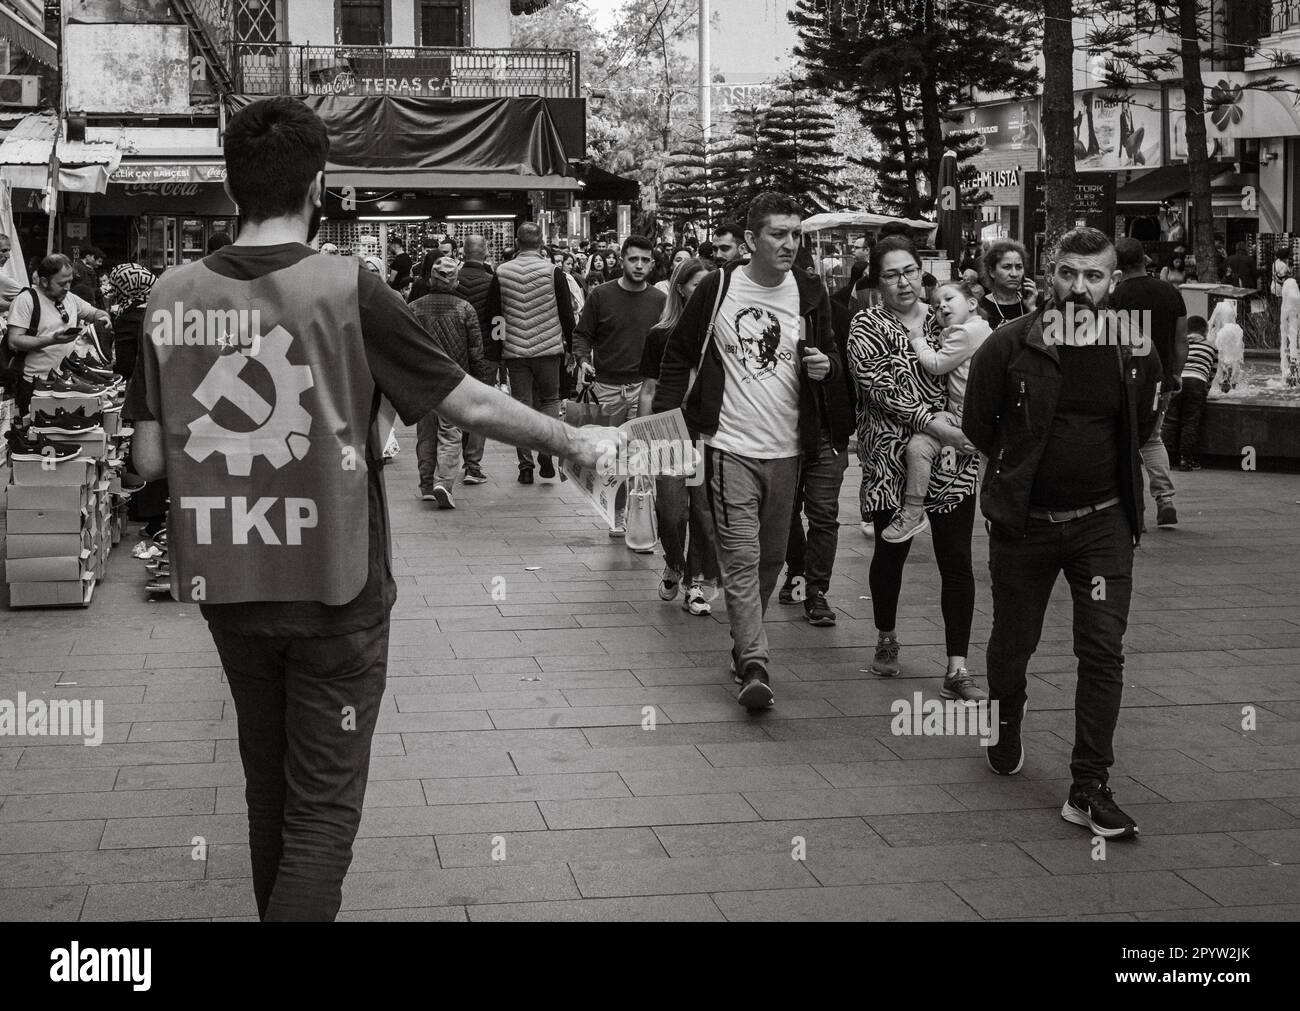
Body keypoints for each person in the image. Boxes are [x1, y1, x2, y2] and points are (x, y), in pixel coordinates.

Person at [128, 96, 618, 922]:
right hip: (336, 587)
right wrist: (573, 442)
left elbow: (147, 458)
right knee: (321, 810)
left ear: (230, 184)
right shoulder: (345, 286)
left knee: (268, 789)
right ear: (319, 184)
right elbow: (466, 402)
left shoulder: (172, 292)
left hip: (229, 581)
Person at [963, 226, 1162, 839]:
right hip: (1025, 526)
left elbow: (1145, 421)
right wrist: (1023, 476)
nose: (1080, 287)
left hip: (1102, 524)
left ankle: (1089, 786)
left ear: (1112, 281)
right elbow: (978, 425)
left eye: (1094, 276)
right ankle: (1008, 720)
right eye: (1069, 274)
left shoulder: (1132, 351)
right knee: (1013, 643)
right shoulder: (1008, 345)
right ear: (1051, 275)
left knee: (1102, 649)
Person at [652, 192, 839, 711]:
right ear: (752, 240)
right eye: (778, 234)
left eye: (796, 234)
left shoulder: (810, 291)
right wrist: (670, 429)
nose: (790, 244)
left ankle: (742, 642)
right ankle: (755, 662)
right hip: (727, 445)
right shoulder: (718, 288)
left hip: (789, 452)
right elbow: (678, 357)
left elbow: (831, 361)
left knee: (773, 558)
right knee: (740, 555)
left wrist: (826, 367)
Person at [847, 237, 984, 703]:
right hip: (890, 456)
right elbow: (879, 387)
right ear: (877, 280)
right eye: (891, 274)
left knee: (956, 561)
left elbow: (978, 370)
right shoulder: (867, 324)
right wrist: (931, 423)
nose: (903, 282)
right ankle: (886, 635)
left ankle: (957, 666)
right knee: (891, 554)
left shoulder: (946, 316)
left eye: (909, 271)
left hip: (952, 457)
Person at [881, 279, 992, 545]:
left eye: (949, 299)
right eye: (936, 304)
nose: (941, 306)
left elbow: (936, 364)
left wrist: (918, 340)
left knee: (918, 446)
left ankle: (913, 510)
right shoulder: (980, 328)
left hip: (966, 416)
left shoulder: (966, 333)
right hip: (970, 415)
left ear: (972, 303)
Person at [638, 256, 719, 614]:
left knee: (702, 510)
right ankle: (674, 560)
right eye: (695, 285)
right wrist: (641, 437)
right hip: (668, 430)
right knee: (671, 510)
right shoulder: (660, 334)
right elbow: (649, 389)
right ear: (680, 289)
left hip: (706, 431)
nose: (700, 292)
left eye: (707, 286)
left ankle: (695, 583)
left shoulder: (719, 333)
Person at [573, 234, 666, 536]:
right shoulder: (601, 295)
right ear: (622, 260)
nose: (639, 265)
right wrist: (583, 360)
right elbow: (582, 334)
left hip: (645, 388)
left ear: (652, 264)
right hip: (608, 387)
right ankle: (618, 513)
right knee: (612, 456)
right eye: (633, 259)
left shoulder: (660, 301)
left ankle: (640, 515)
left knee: (640, 455)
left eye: (645, 260)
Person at [485, 221, 577, 484]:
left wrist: (497, 349)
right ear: (541, 242)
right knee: (550, 400)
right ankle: (547, 450)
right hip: (548, 349)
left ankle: (525, 466)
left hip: (515, 352)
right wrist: (571, 346)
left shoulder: (502, 272)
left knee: (521, 406)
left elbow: (494, 315)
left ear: (517, 242)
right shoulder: (553, 272)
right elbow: (566, 314)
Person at [1109, 235, 1185, 528]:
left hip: (1123, 380)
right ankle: (1164, 498)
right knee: (1152, 438)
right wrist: (1175, 374)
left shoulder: (1115, 297)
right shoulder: (1170, 292)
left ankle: (1126, 504)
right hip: (1159, 381)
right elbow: (1180, 339)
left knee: (1117, 440)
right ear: (1144, 260)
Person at [411, 256, 490, 508]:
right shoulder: (465, 308)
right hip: (455, 380)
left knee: (425, 433)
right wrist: (480, 381)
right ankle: (443, 483)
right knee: (450, 433)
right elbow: (476, 350)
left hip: (423, 379)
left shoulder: (414, 307)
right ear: (455, 282)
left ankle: (425, 484)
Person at [5, 253, 112, 414]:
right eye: (62, 283)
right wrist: (51, 340)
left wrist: (104, 317)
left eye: (70, 281)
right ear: (44, 281)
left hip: (67, 382)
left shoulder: (70, 298)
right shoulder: (26, 300)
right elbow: (14, 341)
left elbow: (94, 313)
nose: (68, 287)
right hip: (34, 384)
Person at [455, 234, 496, 482]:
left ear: (463, 253)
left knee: (456, 407)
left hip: (454, 353)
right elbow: (498, 319)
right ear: (486, 253)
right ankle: (473, 464)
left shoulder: (451, 279)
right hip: (485, 353)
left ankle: (455, 454)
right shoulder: (493, 282)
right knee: (480, 408)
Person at [1162, 315, 1216, 471]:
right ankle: (1186, 460)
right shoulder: (1211, 346)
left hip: (1178, 380)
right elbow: (1212, 372)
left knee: (1170, 421)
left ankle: (1166, 459)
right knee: (1190, 421)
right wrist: (1205, 389)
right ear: (1205, 331)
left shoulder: (1180, 344)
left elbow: (1171, 363)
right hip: (1197, 383)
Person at [979, 238, 1038, 327]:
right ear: (992, 272)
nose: (1014, 274)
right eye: (1007, 267)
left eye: (1019, 267)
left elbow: (1045, 337)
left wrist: (1032, 308)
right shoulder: (982, 307)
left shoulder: (1034, 301)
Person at [69, 245, 106, 310]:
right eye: (94, 258)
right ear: (88, 257)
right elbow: (86, 289)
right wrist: (100, 291)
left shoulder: (77, 266)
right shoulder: (82, 269)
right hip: (85, 305)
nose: (95, 260)